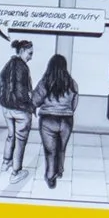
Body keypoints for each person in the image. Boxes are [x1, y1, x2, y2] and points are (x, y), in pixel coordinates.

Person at [35, 52, 81, 190]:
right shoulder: (72, 83)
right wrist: (66, 111)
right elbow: (74, 104)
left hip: (48, 120)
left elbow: (36, 101)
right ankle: (59, 170)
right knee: (61, 147)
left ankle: (50, 176)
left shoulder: (45, 82)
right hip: (66, 120)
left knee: (50, 151)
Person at [0, 38, 37, 177]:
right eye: (30, 53)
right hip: (20, 109)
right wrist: (30, 105)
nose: (31, 57)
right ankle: (16, 172)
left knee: (10, 136)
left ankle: (5, 162)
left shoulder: (8, 65)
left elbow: (3, 85)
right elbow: (21, 91)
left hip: (7, 108)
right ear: (23, 50)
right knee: (20, 140)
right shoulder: (22, 67)